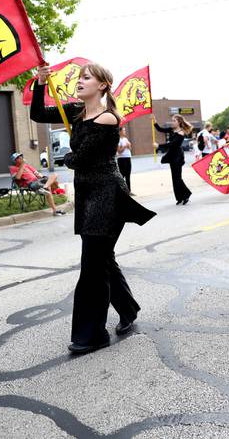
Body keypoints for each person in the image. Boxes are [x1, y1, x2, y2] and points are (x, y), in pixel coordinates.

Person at [31, 62, 155, 354]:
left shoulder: (109, 119)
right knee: (103, 259)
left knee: (92, 266)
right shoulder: (75, 111)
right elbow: (38, 114)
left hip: (107, 195)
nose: (79, 80)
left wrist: (69, 157)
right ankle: (129, 310)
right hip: (88, 195)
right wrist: (39, 82)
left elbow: (79, 159)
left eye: (86, 77)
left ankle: (92, 335)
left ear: (102, 85)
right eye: (79, 77)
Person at [155, 114, 194, 205]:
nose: (172, 122)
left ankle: (186, 195)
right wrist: (154, 121)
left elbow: (172, 144)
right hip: (172, 156)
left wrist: (159, 146)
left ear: (179, 122)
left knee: (177, 178)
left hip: (178, 157)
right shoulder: (172, 130)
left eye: (174, 121)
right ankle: (179, 198)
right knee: (174, 178)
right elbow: (160, 129)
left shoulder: (181, 133)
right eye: (172, 120)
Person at [116, 126, 134, 194]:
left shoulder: (125, 139)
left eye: (125, 130)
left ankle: (129, 191)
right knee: (122, 175)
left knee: (128, 175)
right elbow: (119, 151)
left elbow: (130, 148)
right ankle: (121, 190)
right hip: (121, 159)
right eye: (123, 130)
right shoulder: (118, 140)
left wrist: (129, 146)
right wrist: (124, 146)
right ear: (120, 132)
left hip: (128, 157)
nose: (125, 132)